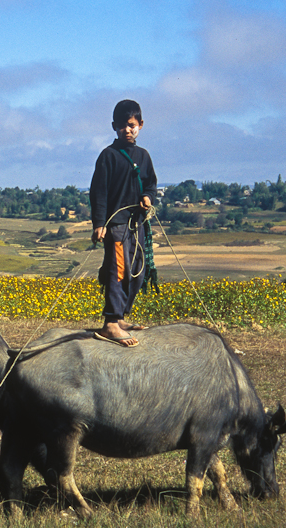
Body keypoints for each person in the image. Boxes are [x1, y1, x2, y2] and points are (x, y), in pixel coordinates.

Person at [90, 99, 158, 348]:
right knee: (118, 270)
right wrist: (99, 223)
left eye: (131, 125)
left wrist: (148, 197)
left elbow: (151, 183)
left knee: (137, 271)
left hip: (136, 224)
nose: (127, 130)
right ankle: (110, 323)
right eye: (121, 126)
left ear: (140, 125)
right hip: (115, 224)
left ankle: (121, 317)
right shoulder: (108, 156)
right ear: (114, 127)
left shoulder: (144, 156)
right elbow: (98, 193)